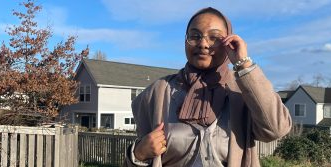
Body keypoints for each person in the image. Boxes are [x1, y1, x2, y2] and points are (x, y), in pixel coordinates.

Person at [125, 7, 292, 167]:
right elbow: (140, 159)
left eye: (215, 38)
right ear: (185, 40)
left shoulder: (242, 92)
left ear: (228, 42)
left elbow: (275, 129)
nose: (203, 44)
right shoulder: (157, 93)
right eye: (195, 36)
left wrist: (244, 64)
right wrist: (138, 154)